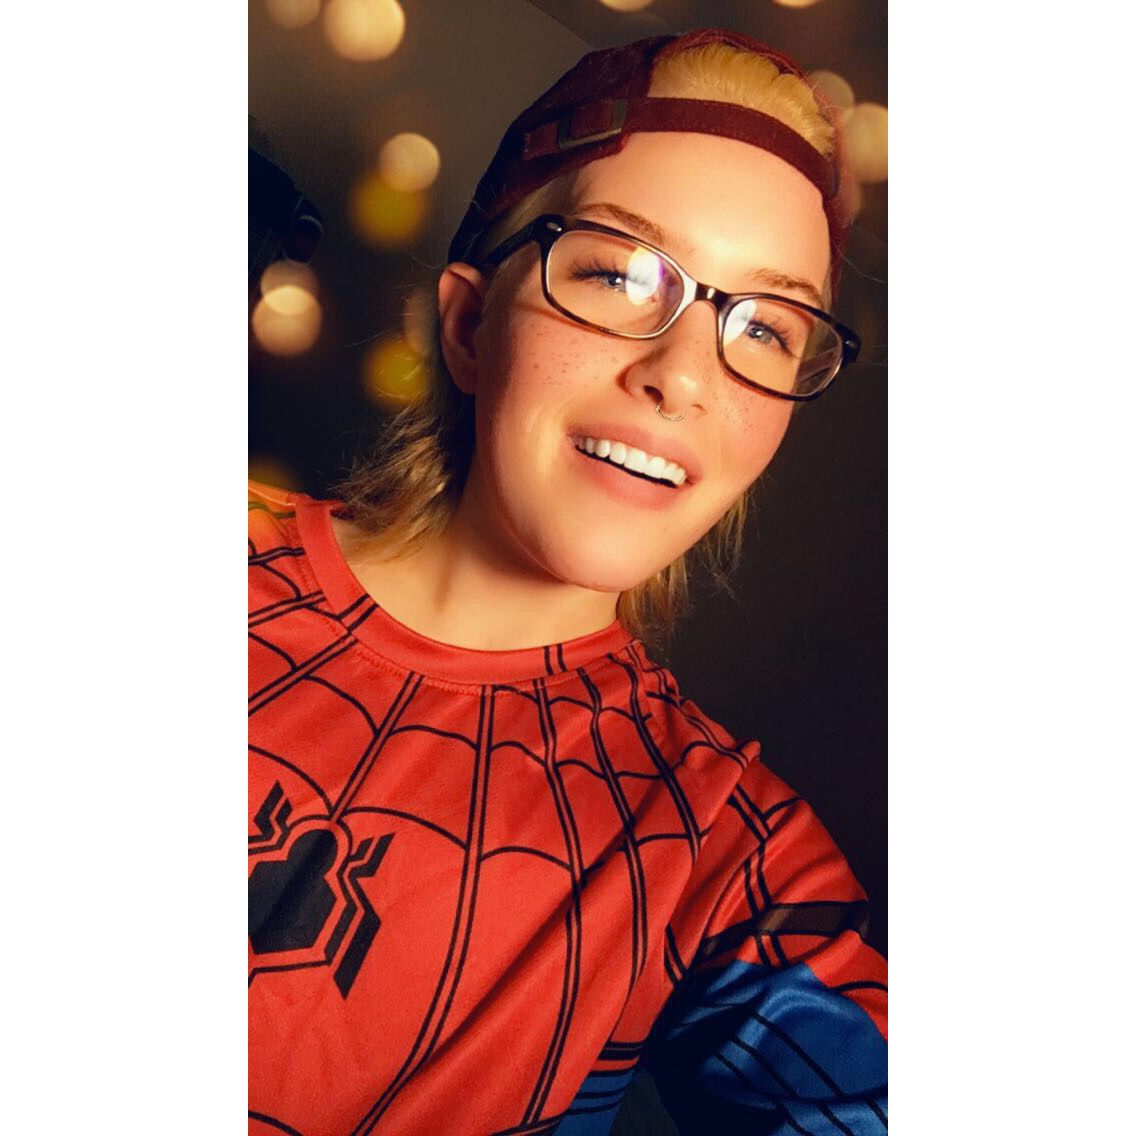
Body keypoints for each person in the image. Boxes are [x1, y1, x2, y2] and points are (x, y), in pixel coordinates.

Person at [249, 28, 887, 1136]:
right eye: (616, 273)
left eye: (767, 329)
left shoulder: (724, 853)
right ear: (467, 323)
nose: (682, 376)